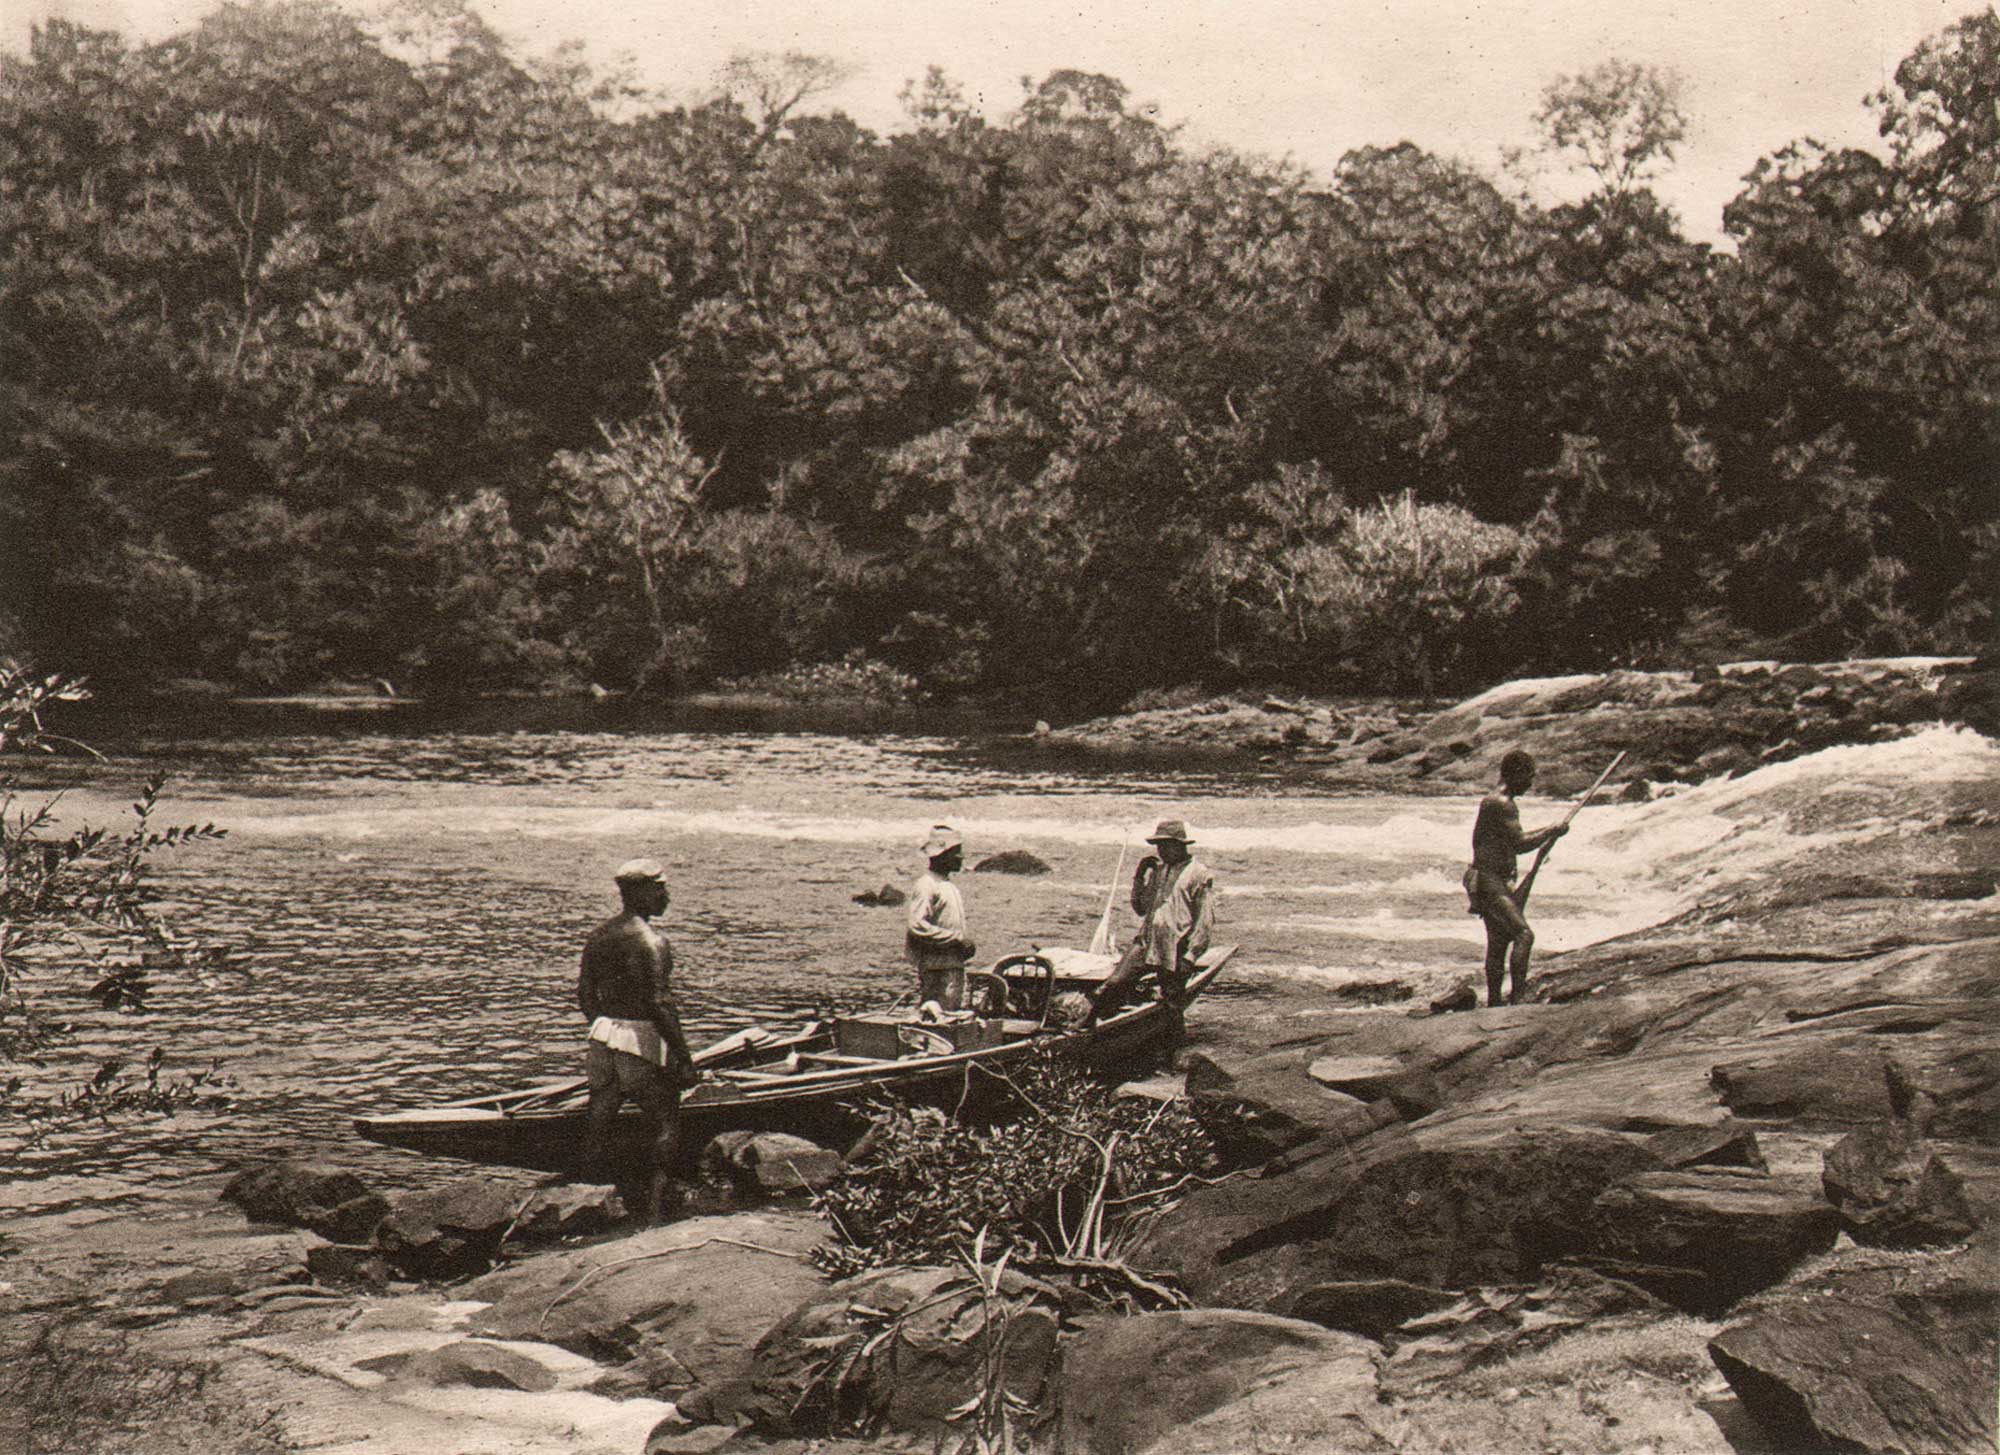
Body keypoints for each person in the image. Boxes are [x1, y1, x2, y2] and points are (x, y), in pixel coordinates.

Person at [578, 858, 700, 1219]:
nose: (666, 896)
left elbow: (585, 994)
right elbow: (660, 1003)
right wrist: (683, 1054)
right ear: (641, 892)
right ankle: (657, 1208)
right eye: (660, 889)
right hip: (638, 1038)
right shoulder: (653, 942)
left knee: (599, 1118)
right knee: (665, 1120)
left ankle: (585, 1197)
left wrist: (604, 1027)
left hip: (603, 1036)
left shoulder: (600, 935)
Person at [1465, 749, 1568, 1007]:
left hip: (1490, 879)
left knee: (1498, 942)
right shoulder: (1501, 803)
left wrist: (1548, 833)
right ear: (1515, 774)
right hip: (1489, 881)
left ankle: (1494, 1003)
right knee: (1523, 935)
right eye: (1528, 777)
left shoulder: (1497, 802)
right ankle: (1518, 999)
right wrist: (1551, 830)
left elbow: (1514, 842)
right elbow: (1520, 843)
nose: (1530, 784)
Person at [1086, 818, 1214, 1025]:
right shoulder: (1159, 871)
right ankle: (1088, 1023)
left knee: (1172, 1002)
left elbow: (1204, 922)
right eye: (1158, 846)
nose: (1160, 850)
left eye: (1165, 845)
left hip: (1175, 947)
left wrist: (1190, 956)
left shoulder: (1199, 874)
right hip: (1147, 942)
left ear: (1179, 845)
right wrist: (1139, 876)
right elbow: (1141, 908)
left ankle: (1172, 1045)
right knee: (1115, 983)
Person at [906, 825, 976, 1010]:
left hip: (950, 963)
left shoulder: (945, 884)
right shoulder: (927, 885)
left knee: (947, 1011)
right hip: (937, 967)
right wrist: (957, 939)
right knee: (940, 1014)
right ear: (942, 855)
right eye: (956, 852)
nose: (961, 858)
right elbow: (917, 925)